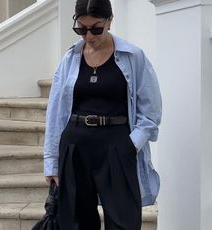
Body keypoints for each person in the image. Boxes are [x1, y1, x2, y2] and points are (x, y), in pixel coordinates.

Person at [44, 0, 162, 229]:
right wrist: (51, 162)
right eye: (82, 28)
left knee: (124, 222)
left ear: (110, 20)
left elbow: (151, 110)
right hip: (75, 147)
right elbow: (55, 112)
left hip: (117, 147)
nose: (89, 36)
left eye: (96, 28)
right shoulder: (70, 59)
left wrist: (131, 145)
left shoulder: (133, 56)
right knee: (77, 222)